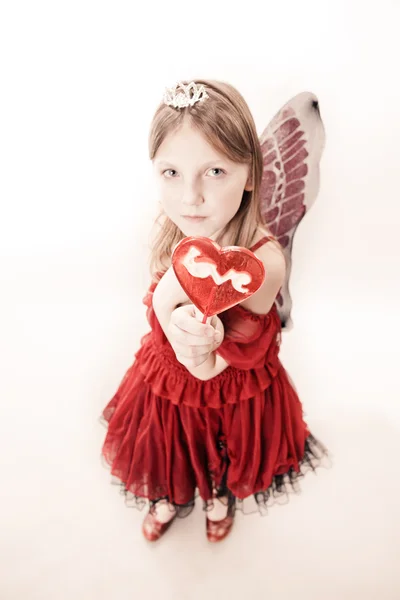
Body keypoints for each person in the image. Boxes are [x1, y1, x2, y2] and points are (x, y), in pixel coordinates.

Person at [99, 79, 329, 543]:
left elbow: (217, 364)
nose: (190, 197)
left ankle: (217, 497)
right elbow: (164, 315)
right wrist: (171, 316)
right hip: (166, 378)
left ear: (251, 175)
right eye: (171, 173)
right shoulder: (182, 226)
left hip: (231, 382)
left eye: (215, 172)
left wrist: (188, 329)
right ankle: (167, 494)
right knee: (171, 446)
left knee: (223, 448)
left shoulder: (263, 263)